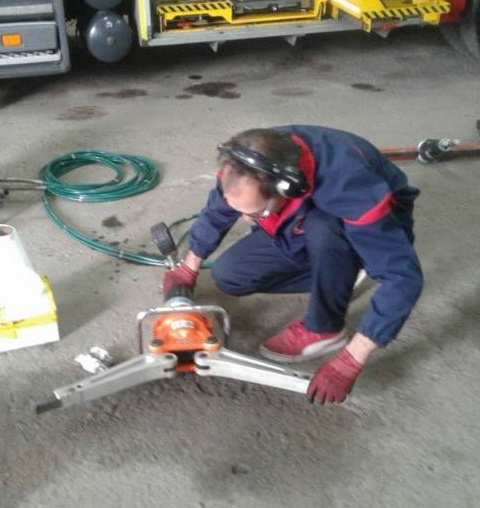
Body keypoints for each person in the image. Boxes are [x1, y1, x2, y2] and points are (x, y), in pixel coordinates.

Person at [163, 126, 423, 405]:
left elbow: (403, 277)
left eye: (256, 213)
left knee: (323, 226)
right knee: (230, 275)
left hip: (367, 223)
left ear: (288, 188)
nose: (247, 221)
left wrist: (353, 357)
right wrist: (190, 266)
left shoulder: (349, 187)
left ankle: (325, 327)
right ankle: (342, 272)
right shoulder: (243, 162)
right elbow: (218, 209)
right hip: (297, 222)